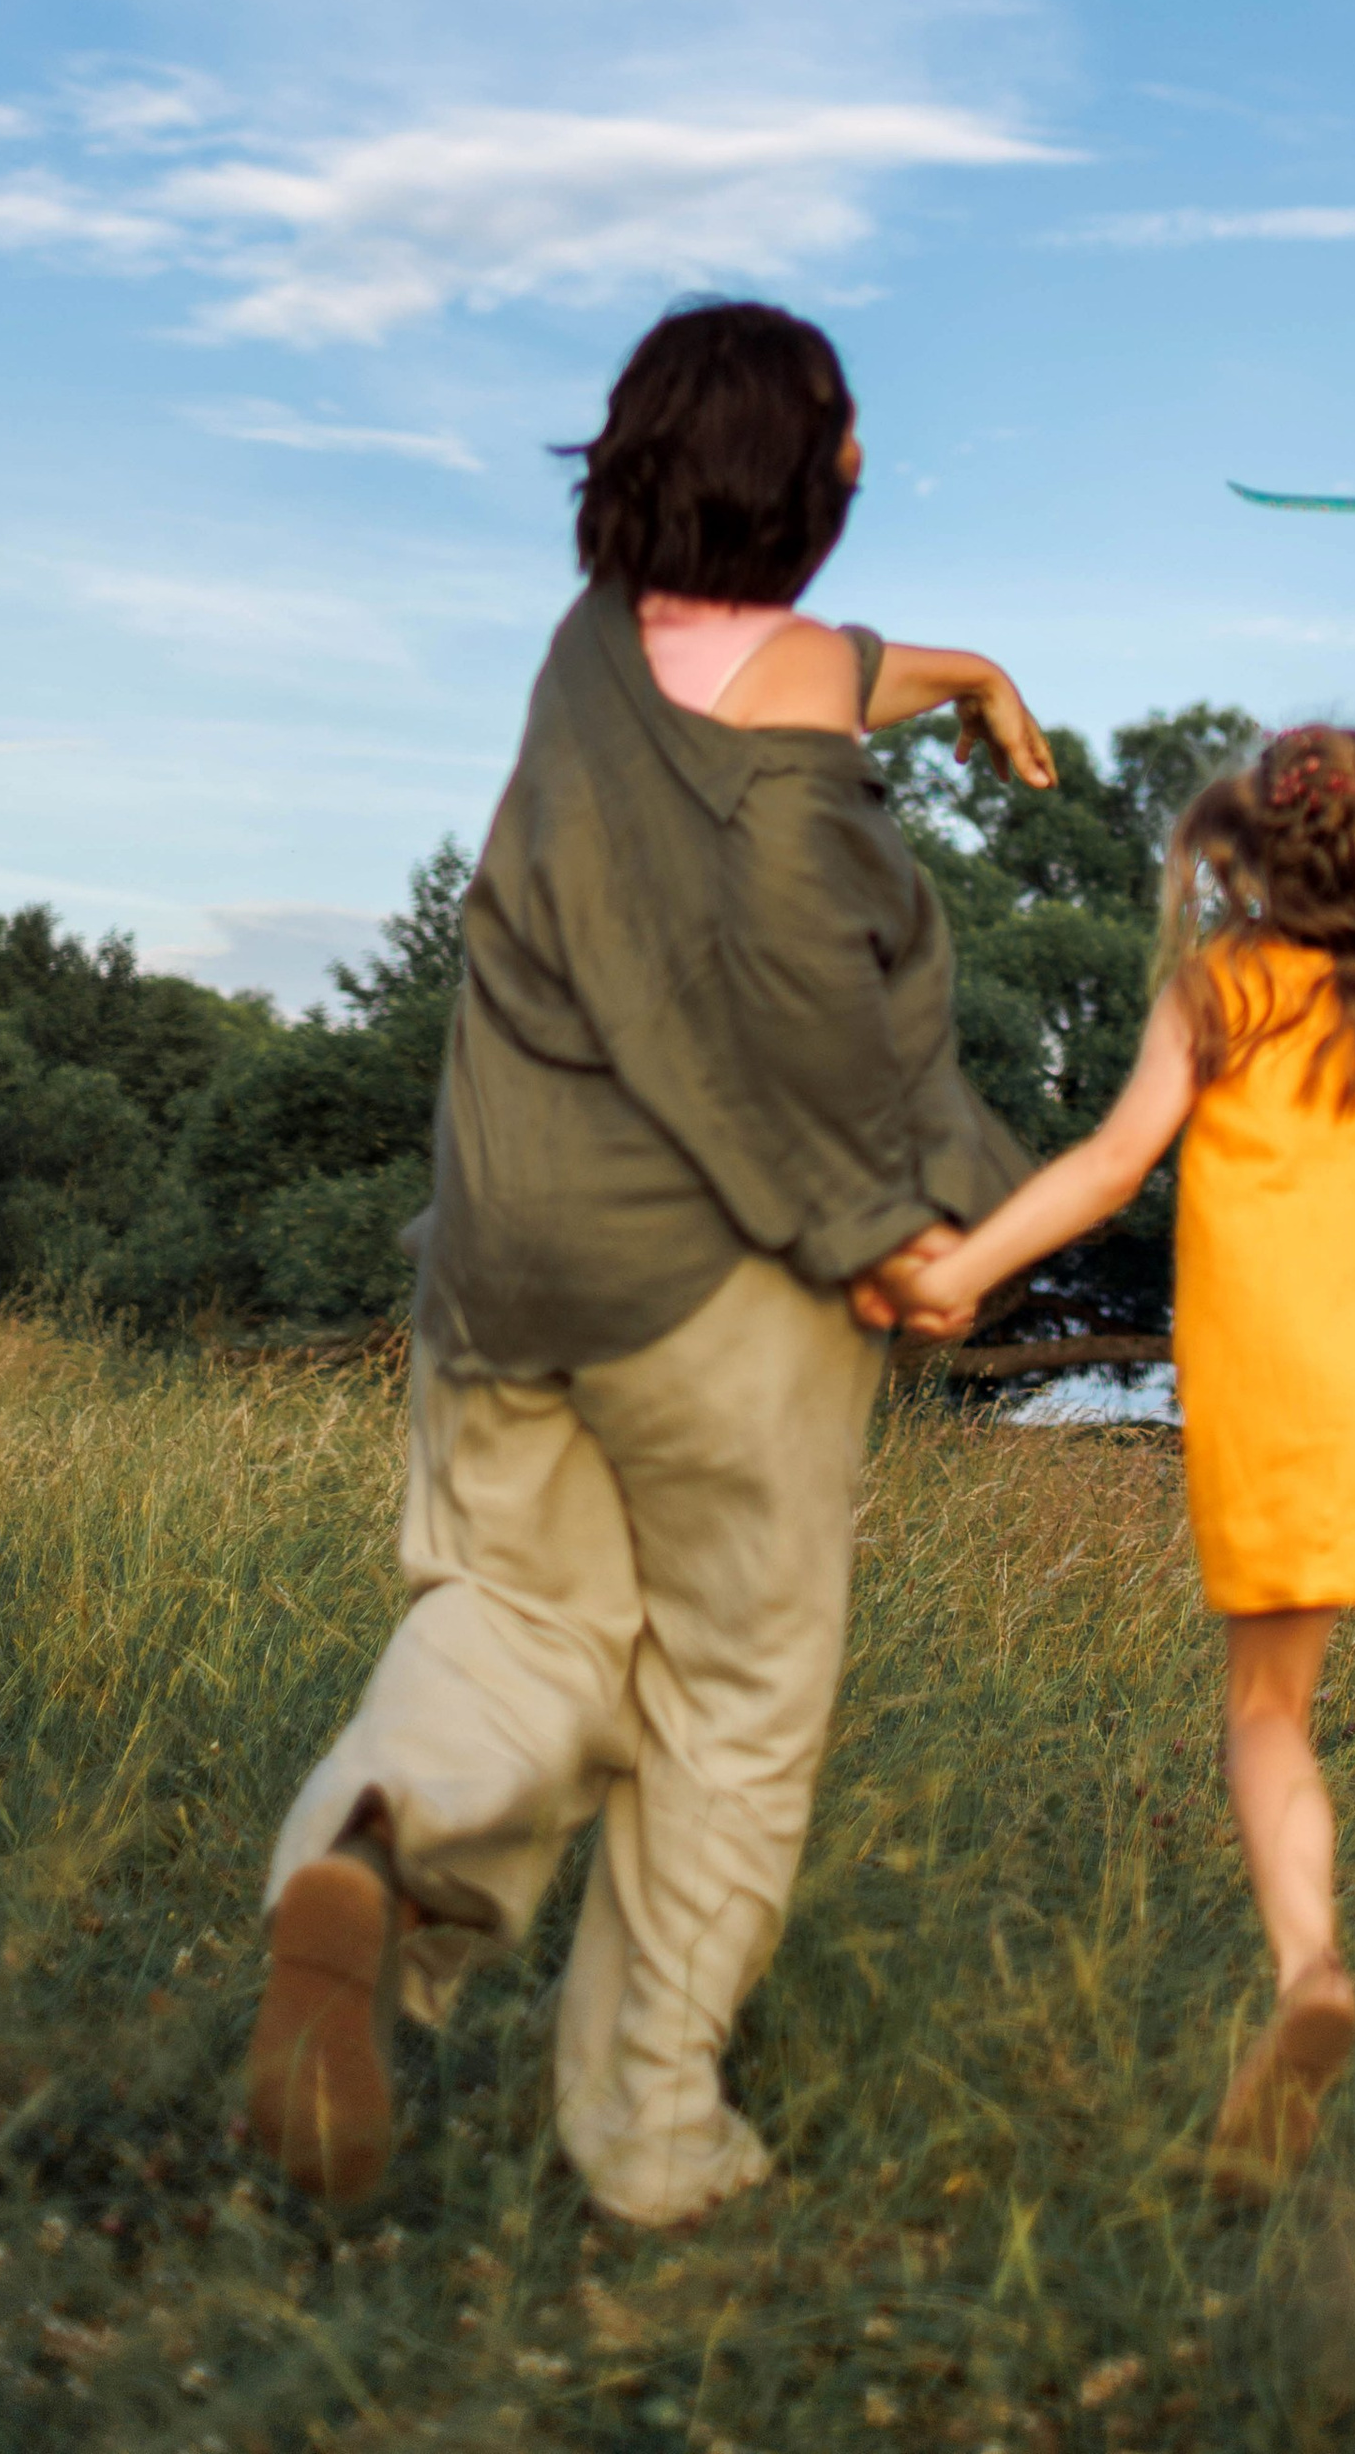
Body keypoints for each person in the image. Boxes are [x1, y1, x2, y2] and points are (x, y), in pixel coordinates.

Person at [244, 299, 1017, 2229]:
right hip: (710, 1294)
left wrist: (969, 673)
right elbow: (802, 1026)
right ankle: (651, 2136)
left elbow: (800, 664)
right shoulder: (790, 805)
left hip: (505, 1262)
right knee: (735, 1695)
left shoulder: (585, 664)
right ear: (819, 475)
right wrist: (919, 1239)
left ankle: (374, 1845)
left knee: (515, 1616)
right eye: (848, 443)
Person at [895, 631, 1355, 2187]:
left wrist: (960, 1274)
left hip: (1303, 1380)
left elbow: (1113, 1165)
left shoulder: (1221, 986)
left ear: (1248, 850)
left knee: (1271, 1706)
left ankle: (1313, 1970)